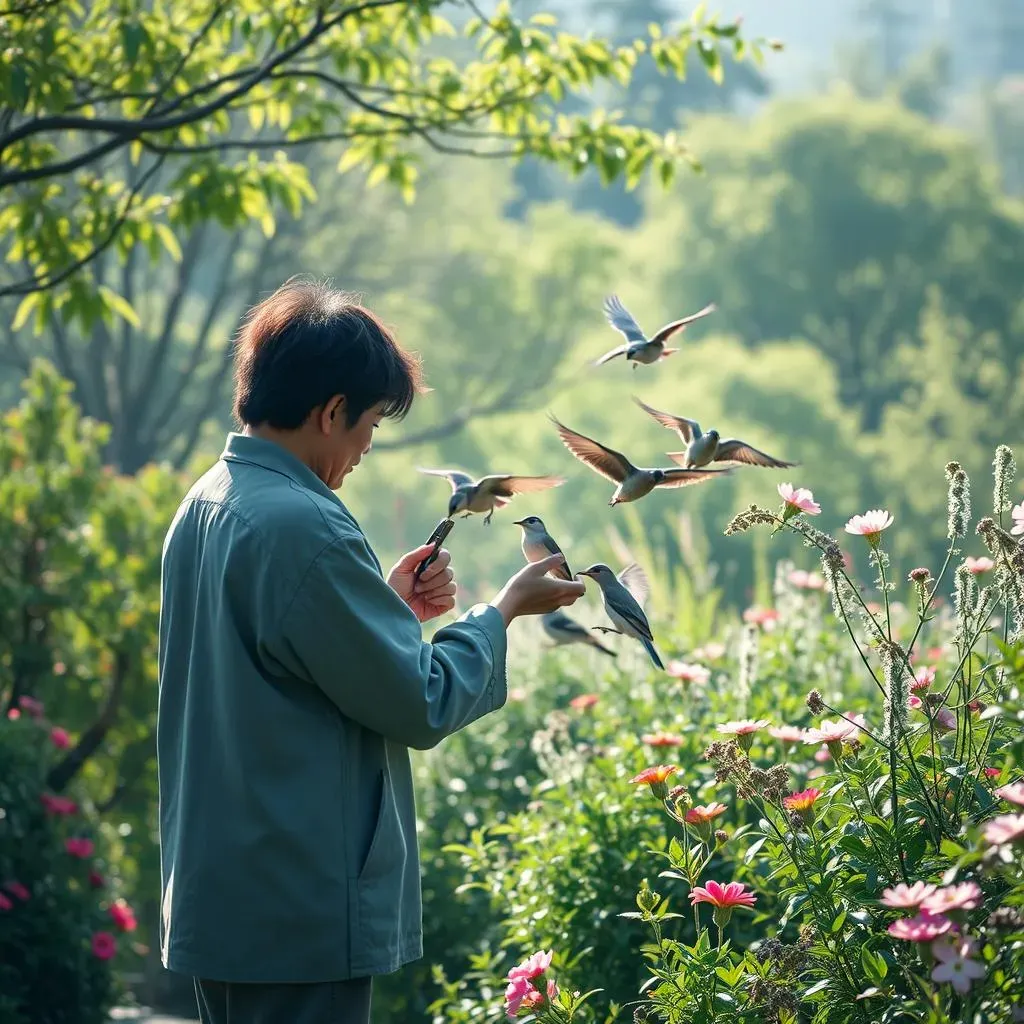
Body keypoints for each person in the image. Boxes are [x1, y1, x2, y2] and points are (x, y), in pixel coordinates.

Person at [156, 279, 585, 1024]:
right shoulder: (305, 528)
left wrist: (379, 608)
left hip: (224, 900)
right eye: (371, 424)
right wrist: (504, 610)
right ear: (330, 413)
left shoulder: (208, 501)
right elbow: (420, 700)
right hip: (298, 907)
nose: (365, 448)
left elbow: (277, 660)